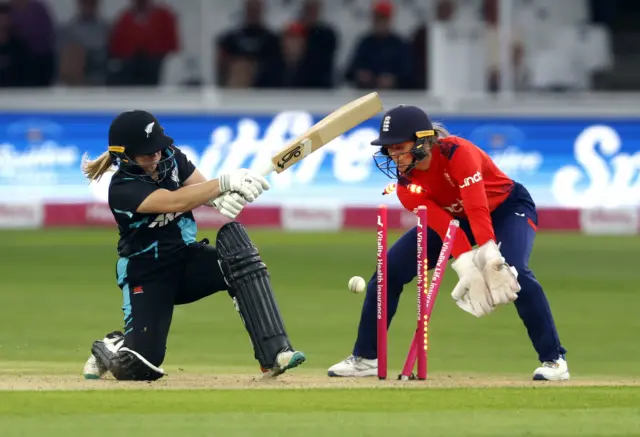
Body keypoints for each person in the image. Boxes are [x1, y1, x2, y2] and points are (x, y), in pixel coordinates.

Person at [328, 105, 569, 381]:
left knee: (513, 270)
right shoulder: (406, 185)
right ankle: (366, 358)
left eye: (398, 147)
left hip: (504, 208)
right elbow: (446, 228)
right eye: (388, 149)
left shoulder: (458, 153)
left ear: (422, 141)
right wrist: (468, 266)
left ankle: (554, 360)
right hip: (455, 218)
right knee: (388, 271)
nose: (392, 155)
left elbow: (478, 210)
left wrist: (489, 258)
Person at [80, 109, 306, 381]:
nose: (156, 156)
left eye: (158, 149)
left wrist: (223, 197)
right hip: (147, 275)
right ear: (124, 156)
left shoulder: (171, 157)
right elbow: (176, 201)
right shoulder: (122, 189)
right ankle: (112, 346)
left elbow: (202, 189)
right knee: (139, 367)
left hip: (187, 261)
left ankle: (275, 352)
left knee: (237, 249)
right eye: (147, 153)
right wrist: (223, 183)